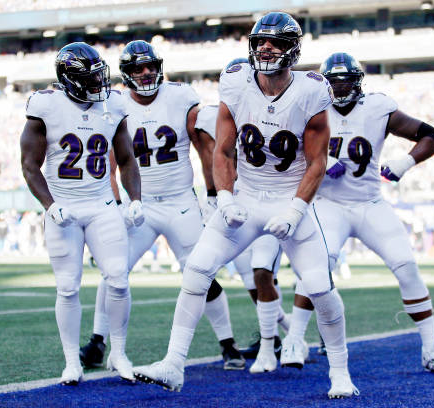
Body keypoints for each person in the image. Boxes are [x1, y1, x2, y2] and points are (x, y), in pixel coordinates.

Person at [134, 12, 358, 398]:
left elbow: (318, 161)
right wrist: (224, 197)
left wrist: (296, 210)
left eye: (277, 42)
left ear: (294, 49)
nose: (267, 48)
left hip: (291, 200)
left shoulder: (311, 90)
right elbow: (222, 149)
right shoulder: (236, 83)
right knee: (197, 267)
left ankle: (340, 373)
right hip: (248, 198)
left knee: (319, 286)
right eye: (261, 41)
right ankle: (173, 364)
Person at [280, 52, 434, 375]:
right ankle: (294, 339)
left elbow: (432, 135)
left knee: (406, 266)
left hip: (369, 203)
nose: (340, 87)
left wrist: (406, 162)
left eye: (346, 80)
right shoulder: (311, 108)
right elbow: (283, 148)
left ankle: (433, 348)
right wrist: (316, 160)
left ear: (358, 82)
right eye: (333, 82)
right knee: (317, 266)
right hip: (328, 205)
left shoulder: (378, 107)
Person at [78, 40, 244, 371]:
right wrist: (116, 205)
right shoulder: (113, 103)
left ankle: (228, 344)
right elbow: (110, 162)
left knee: (201, 271)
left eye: (151, 66)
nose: (146, 72)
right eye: (139, 68)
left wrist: (213, 194)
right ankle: (98, 341)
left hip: (180, 202)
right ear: (126, 74)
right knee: (114, 270)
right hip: (140, 206)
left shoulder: (181, 96)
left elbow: (204, 146)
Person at [20, 42, 144, 385]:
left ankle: (118, 353)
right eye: (89, 78)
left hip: (103, 205)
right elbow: (30, 166)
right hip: (65, 208)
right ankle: (71, 361)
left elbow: (127, 159)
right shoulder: (45, 105)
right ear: (69, 78)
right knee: (67, 288)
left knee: (118, 277)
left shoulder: (114, 105)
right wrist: (50, 205)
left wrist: (134, 199)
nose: (98, 84)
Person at [194, 94, 292, 363]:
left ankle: (286, 337)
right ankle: (284, 332)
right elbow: (212, 155)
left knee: (264, 272)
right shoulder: (210, 115)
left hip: (263, 198)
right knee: (249, 278)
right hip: (227, 200)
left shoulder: (269, 115)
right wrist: (215, 196)